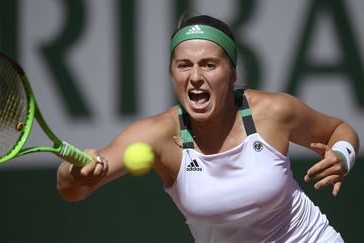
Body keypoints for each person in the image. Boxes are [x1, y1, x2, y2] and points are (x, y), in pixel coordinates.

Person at [56, 14, 359, 242]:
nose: (196, 76)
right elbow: (73, 191)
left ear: (232, 74)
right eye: (184, 65)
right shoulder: (157, 135)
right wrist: (73, 172)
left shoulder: (273, 112)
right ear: (172, 73)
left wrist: (342, 156)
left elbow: (340, 130)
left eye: (209, 65)